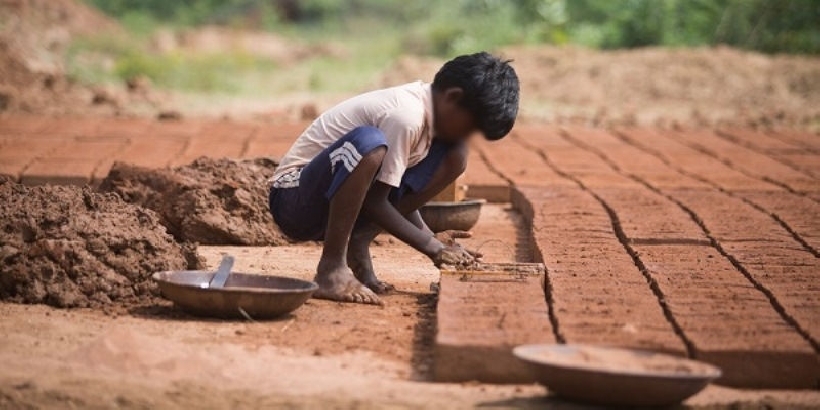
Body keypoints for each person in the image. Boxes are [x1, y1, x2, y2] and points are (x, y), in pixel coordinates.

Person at [268, 52, 520, 305]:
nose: (469, 135)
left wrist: (432, 237)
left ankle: (360, 239)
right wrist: (432, 247)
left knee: (456, 156)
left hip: (336, 206)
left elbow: (388, 194)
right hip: (295, 200)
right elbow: (375, 203)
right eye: (470, 127)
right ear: (452, 97)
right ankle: (331, 268)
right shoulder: (406, 116)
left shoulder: (429, 127)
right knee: (368, 144)